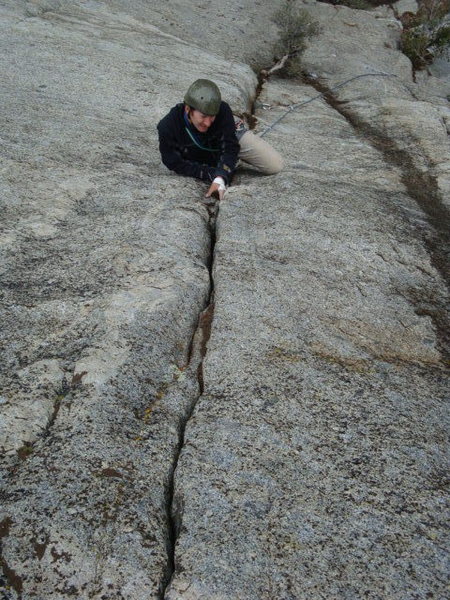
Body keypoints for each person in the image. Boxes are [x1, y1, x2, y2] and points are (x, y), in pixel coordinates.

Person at [157, 79, 283, 200]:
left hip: (228, 134)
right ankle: (226, 161)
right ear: (188, 109)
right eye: (203, 116)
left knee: (275, 165)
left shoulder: (223, 111)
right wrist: (212, 174)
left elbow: (230, 146)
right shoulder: (168, 127)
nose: (207, 123)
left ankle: (232, 149)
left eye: (212, 117)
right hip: (200, 148)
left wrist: (220, 176)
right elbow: (173, 162)